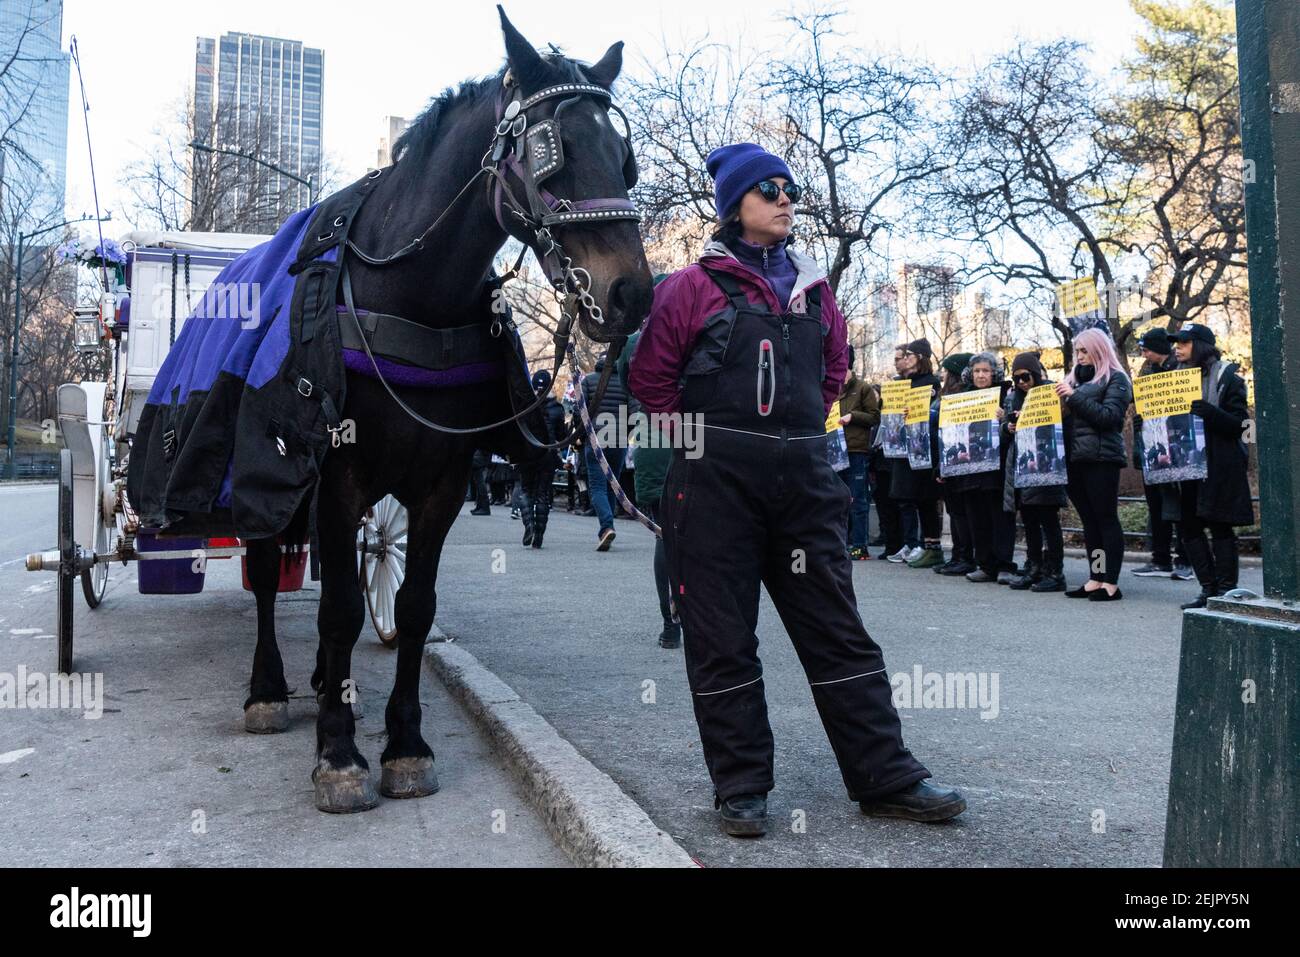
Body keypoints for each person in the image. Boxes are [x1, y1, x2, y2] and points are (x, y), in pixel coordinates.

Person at [628, 142, 965, 837]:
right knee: (722, 637)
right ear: (734, 208)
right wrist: (709, 448)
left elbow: (834, 371)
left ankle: (887, 776)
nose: (786, 198)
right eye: (769, 189)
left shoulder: (817, 287)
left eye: (790, 188)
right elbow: (652, 382)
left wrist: (796, 440)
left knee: (839, 632)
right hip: (715, 485)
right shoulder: (689, 287)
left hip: (807, 484)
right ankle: (742, 787)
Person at [1167, 324, 1254, 609]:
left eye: (1183, 342)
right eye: (1176, 342)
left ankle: (1226, 592)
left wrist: (1211, 413)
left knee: (1220, 525)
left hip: (1220, 463)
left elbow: (1243, 426)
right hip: (1188, 465)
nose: (1176, 347)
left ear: (1201, 345)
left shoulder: (1229, 376)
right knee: (1189, 527)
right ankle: (1208, 590)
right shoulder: (1173, 379)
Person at [616, 300, 682, 648]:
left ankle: (671, 626)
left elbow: (628, 385)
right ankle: (703, 620)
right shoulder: (692, 333)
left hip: (654, 435)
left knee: (664, 535)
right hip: (695, 434)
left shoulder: (633, 342)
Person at [1058, 327, 1133, 601]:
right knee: (1089, 522)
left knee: (1106, 520)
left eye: (1085, 350)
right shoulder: (1073, 380)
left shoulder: (1117, 379)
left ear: (1099, 350)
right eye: (1077, 351)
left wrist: (1073, 398)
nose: (1079, 356)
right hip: (1075, 460)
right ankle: (1095, 577)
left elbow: (1110, 418)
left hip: (1102, 459)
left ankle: (1111, 584)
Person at [1129, 327, 1193, 581]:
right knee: (1156, 507)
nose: (1143, 353)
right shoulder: (1148, 372)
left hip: (1176, 449)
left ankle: (1185, 560)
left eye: (1146, 348)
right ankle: (1160, 559)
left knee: (1180, 508)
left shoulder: (1181, 370)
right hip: (1151, 447)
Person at [1002, 352, 1068, 591]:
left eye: (1025, 376)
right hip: (1022, 466)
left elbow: (1064, 423)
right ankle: (1034, 567)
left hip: (1048, 464)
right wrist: (1008, 427)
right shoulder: (1013, 399)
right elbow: (1003, 432)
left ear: (1036, 374)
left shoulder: (1051, 392)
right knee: (1029, 520)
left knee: (1049, 521)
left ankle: (1055, 571)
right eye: (1016, 378)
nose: (1021, 382)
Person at [890, 339, 945, 569]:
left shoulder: (930, 382)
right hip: (906, 448)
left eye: (910, 355)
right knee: (912, 497)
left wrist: (912, 410)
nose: (905, 359)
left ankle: (931, 546)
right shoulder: (903, 383)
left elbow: (928, 411)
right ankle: (920, 545)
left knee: (926, 498)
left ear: (920, 357)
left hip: (924, 449)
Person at [960, 352, 1014, 583]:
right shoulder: (962, 398)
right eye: (977, 371)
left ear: (994, 373)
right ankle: (985, 564)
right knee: (976, 517)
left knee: (1000, 517)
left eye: (985, 371)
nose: (981, 375)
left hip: (997, 468)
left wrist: (1004, 417)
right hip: (970, 469)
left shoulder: (1006, 395)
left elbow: (1015, 426)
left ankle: (1004, 565)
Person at [581, 353, 630, 551]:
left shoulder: (589, 380)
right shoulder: (626, 383)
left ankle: (607, 526)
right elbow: (635, 410)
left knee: (598, 487)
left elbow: (580, 409)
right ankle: (607, 527)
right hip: (618, 439)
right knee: (612, 485)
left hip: (596, 438)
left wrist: (581, 432)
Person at [934, 353, 977, 576]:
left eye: (947, 372)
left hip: (959, 460)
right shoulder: (947, 396)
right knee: (955, 510)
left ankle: (965, 556)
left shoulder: (961, 397)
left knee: (961, 511)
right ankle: (958, 555)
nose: (944, 376)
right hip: (949, 459)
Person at [836, 346, 880, 560]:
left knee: (858, 500)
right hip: (834, 453)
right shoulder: (830, 386)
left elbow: (874, 417)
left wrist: (852, 416)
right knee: (836, 500)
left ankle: (859, 545)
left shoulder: (863, 388)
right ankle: (839, 544)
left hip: (856, 451)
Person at [516, 370, 566, 549]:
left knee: (526, 490)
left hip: (527, 453)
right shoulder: (557, 409)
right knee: (543, 495)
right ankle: (539, 535)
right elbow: (562, 435)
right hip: (548, 455)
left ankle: (528, 525)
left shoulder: (524, 406)